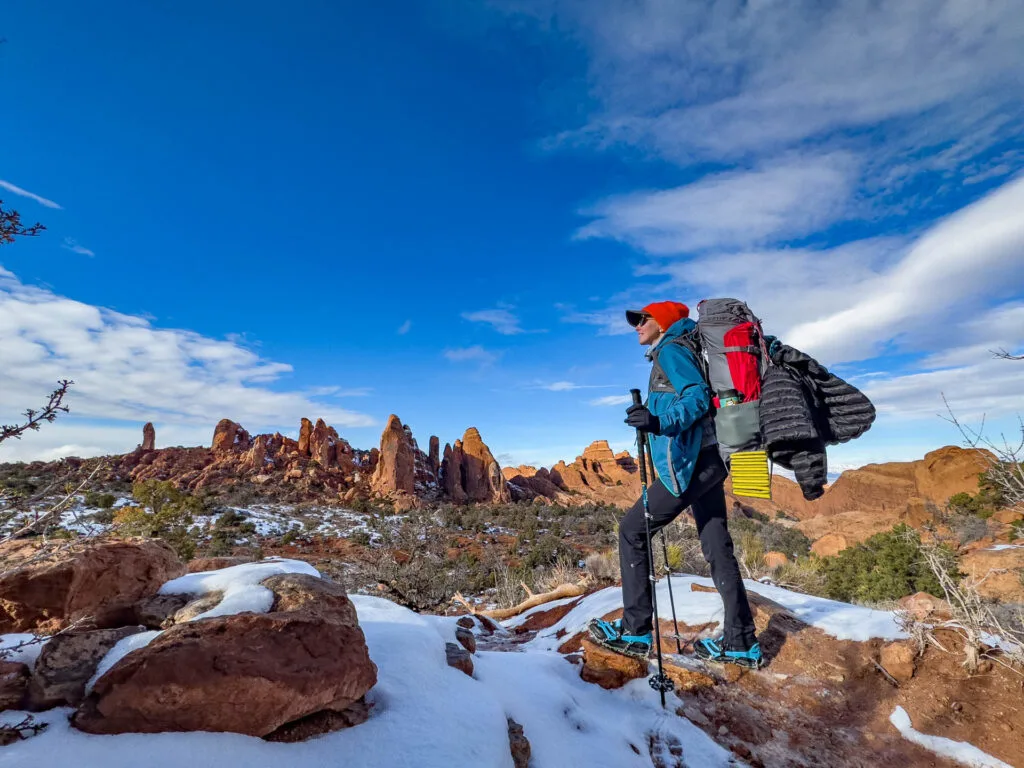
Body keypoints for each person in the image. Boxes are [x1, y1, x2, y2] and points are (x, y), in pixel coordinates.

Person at [590, 301, 762, 668]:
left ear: (662, 322)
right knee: (717, 545)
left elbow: (697, 398)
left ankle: (635, 631)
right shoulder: (686, 347)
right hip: (713, 459)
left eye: (643, 319)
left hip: (692, 464)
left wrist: (657, 422)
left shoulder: (670, 350)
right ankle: (741, 641)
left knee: (632, 530)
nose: (636, 325)